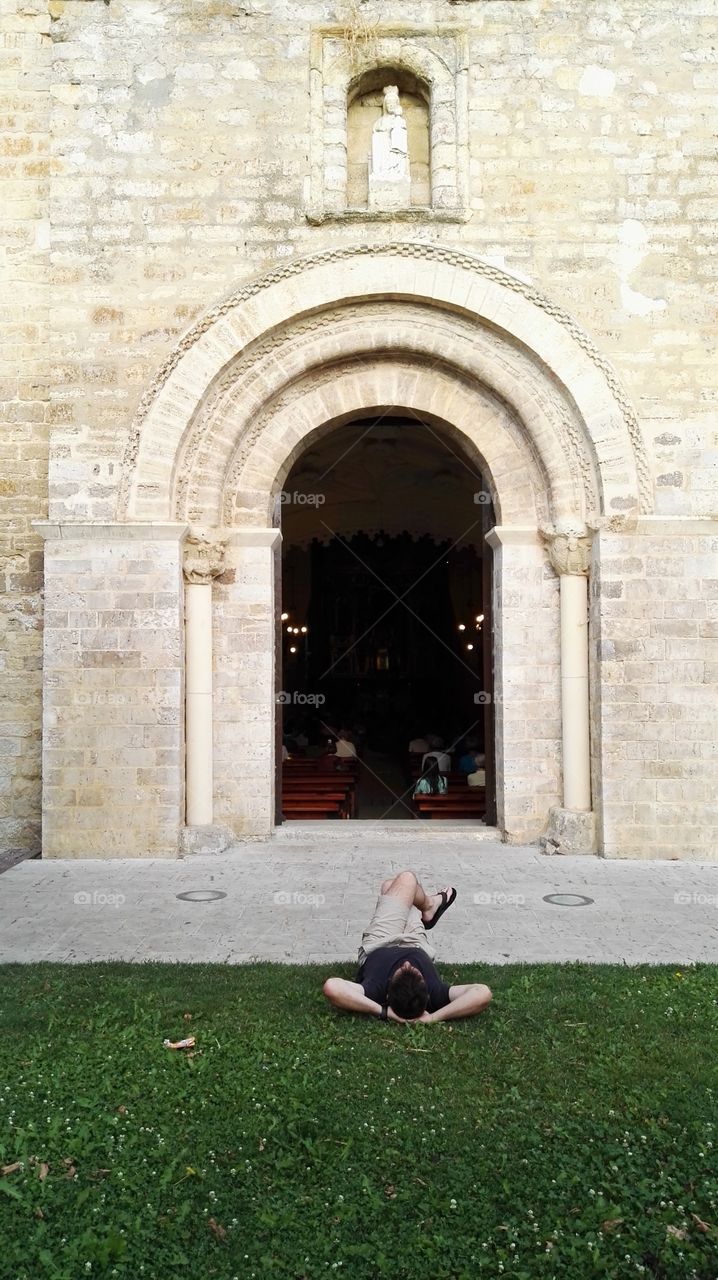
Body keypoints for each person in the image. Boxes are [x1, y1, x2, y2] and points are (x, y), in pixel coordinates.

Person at [323, 871, 492, 1024]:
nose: (406, 964)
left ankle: (429, 906)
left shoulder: (375, 990)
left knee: (401, 882)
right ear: (426, 995)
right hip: (415, 940)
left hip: (382, 940)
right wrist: (433, 1017)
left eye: (401, 971)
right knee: (399, 886)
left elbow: (332, 987)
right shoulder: (436, 993)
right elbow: (482, 993)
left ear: (387, 994)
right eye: (415, 971)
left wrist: (383, 1011)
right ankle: (428, 907)